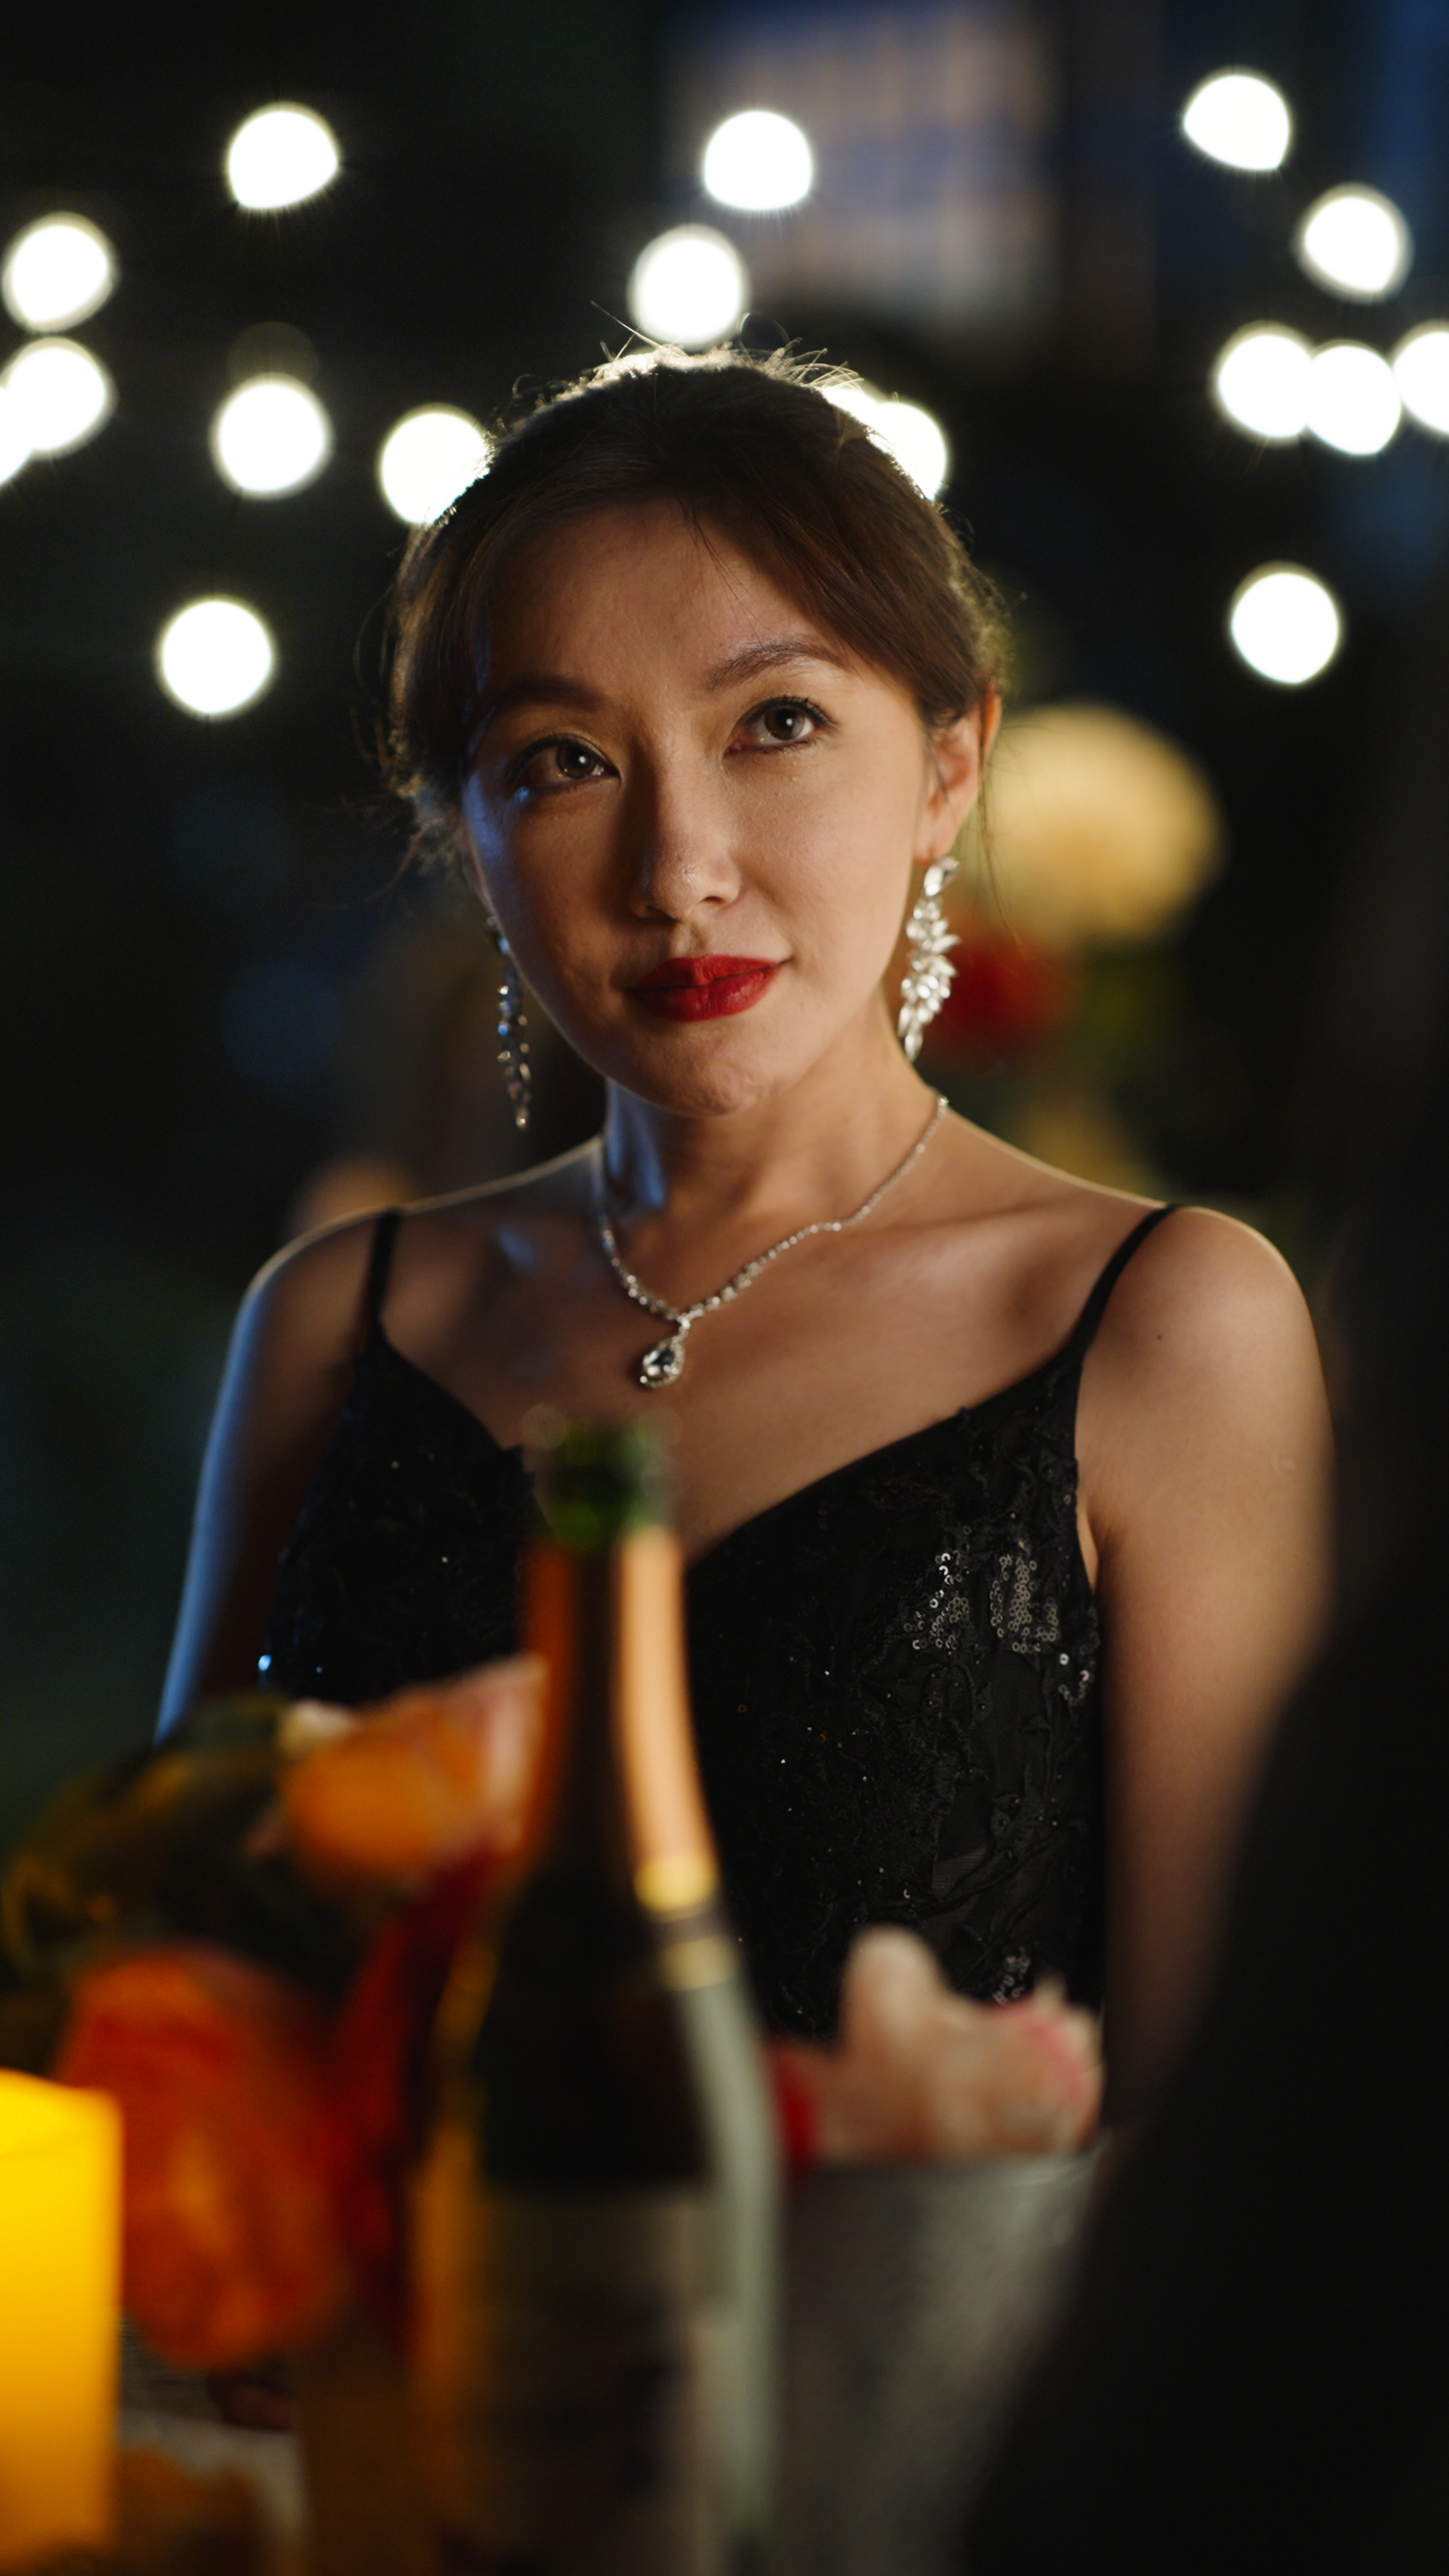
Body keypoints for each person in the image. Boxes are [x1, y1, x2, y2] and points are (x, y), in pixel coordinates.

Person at [159, 350, 1330, 2113]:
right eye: (561, 760)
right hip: (378, 2392)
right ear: (467, 836)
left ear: (951, 765)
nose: (679, 865)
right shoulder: (344, 1320)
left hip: (910, 2392)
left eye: (775, 724)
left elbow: (1238, 2153)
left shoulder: (1165, 1325)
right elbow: (172, 2037)